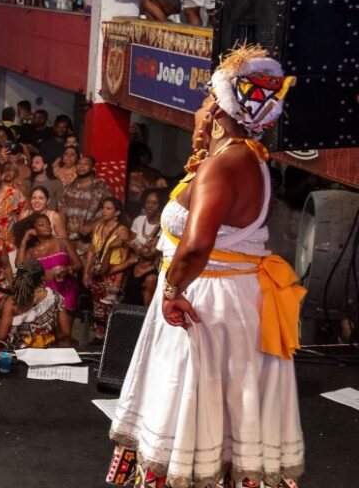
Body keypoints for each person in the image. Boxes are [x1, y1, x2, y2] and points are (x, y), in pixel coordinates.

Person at [108, 46, 303, 488]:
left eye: (203, 102)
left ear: (217, 110)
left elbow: (196, 247)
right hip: (228, 299)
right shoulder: (250, 159)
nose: (197, 111)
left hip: (204, 304)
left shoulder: (224, 165)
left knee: (192, 407)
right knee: (226, 413)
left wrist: (173, 292)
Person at [85, 196, 135, 339]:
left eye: (108, 209)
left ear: (117, 213)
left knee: (110, 308)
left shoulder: (122, 230)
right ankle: (99, 337)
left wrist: (118, 282)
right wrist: (86, 273)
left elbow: (124, 257)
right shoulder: (98, 225)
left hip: (114, 272)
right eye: (103, 208)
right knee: (97, 307)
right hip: (97, 270)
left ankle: (110, 339)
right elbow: (91, 251)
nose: (104, 211)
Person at [0, 259, 71, 349]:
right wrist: (46, 339)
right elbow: (65, 332)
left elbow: (1, 337)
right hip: (47, 355)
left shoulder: (12, 302)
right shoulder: (55, 298)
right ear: (42, 278)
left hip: (18, 357)